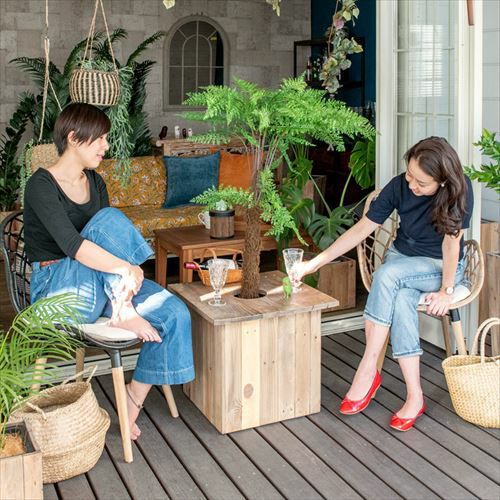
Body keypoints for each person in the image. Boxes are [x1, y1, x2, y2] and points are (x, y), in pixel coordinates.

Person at [24, 103, 195, 440]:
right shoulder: (40, 185)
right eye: (99, 138)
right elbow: (74, 245)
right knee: (107, 221)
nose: (106, 145)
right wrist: (127, 268)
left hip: (103, 286)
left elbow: (106, 247)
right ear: (73, 137)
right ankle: (123, 309)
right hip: (58, 292)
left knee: (174, 312)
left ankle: (131, 402)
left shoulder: (95, 182)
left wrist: (122, 271)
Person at [294, 136, 473, 431]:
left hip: (440, 267)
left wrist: (446, 290)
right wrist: (314, 264)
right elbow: (362, 229)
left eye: (421, 183)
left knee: (387, 275)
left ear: (442, 181)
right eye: (410, 175)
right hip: (402, 261)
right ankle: (415, 396)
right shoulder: (399, 185)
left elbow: (451, 245)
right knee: (400, 296)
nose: (412, 185)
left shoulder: (459, 188)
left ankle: (367, 368)